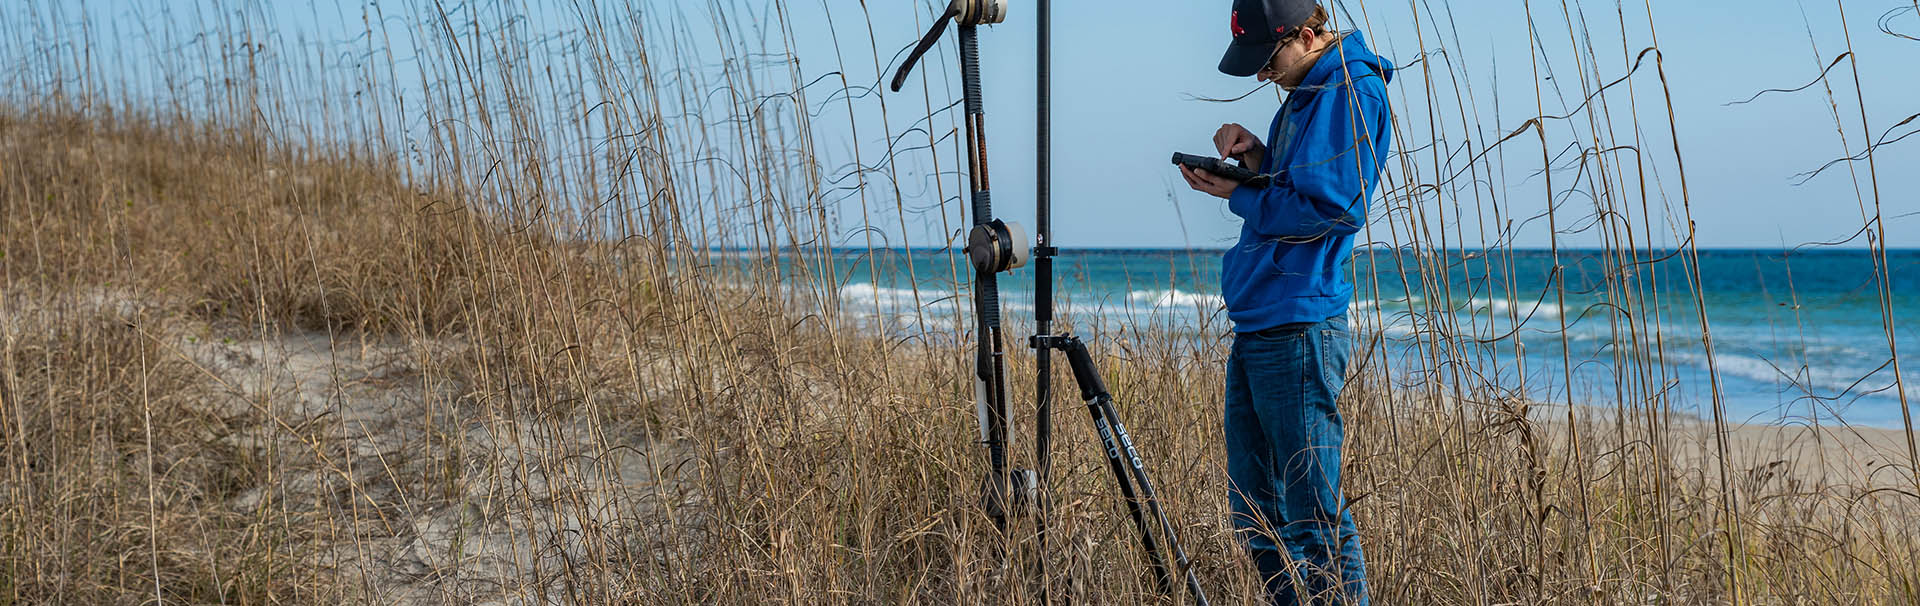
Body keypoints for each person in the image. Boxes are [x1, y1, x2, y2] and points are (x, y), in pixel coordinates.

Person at [1180, 0, 1393, 603]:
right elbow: (1299, 190)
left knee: (1313, 517)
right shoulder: (1309, 92)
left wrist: (1238, 196)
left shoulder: (1350, 92)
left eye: (1267, 58)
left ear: (1307, 34)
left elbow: (1332, 210)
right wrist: (1255, 161)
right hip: (1265, 320)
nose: (1261, 75)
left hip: (1299, 324)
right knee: (1256, 511)